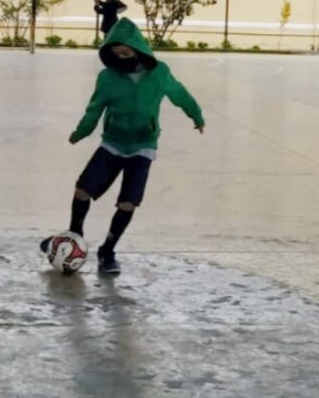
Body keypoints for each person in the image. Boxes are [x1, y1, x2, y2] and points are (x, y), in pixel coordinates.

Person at [41, 18, 204, 276]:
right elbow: (94, 109)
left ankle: (108, 250)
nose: (122, 58)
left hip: (143, 146)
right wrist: (81, 132)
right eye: (116, 55)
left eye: (127, 53)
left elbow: (180, 94)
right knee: (83, 189)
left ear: (138, 50)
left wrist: (197, 116)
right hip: (113, 143)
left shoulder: (159, 72)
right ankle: (74, 235)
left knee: (128, 202)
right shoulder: (108, 78)